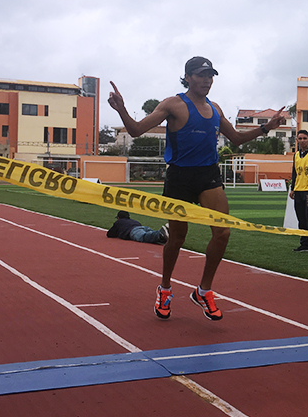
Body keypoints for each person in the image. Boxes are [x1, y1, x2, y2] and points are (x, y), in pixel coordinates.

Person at [108, 56, 285, 321]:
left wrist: (265, 128)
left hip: (208, 176)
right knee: (177, 237)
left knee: (223, 232)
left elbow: (236, 138)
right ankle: (165, 287)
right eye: (201, 75)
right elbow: (135, 130)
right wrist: (122, 109)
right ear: (188, 77)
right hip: (179, 177)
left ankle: (203, 290)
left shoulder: (215, 109)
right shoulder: (173, 104)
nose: (207, 80)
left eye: (210, 76)